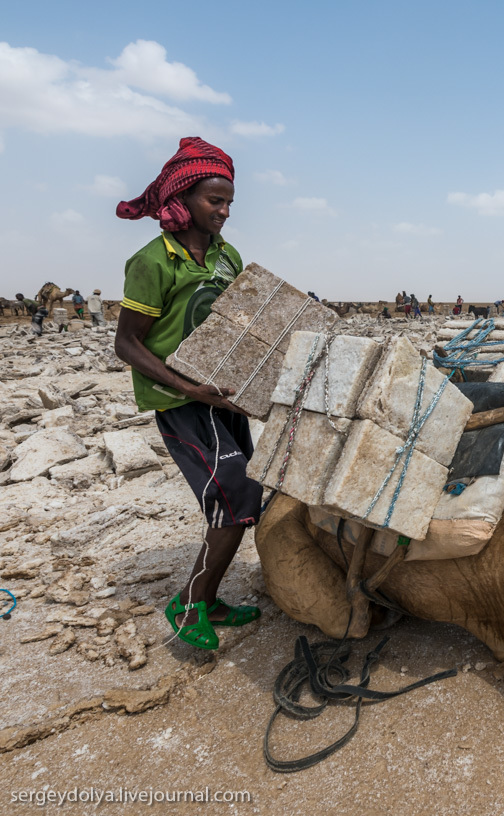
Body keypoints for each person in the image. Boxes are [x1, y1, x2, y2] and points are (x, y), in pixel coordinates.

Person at [113, 137, 261, 651]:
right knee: (235, 493)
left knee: (244, 494)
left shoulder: (227, 256)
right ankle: (190, 603)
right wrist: (188, 385)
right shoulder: (153, 261)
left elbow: (242, 327)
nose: (222, 212)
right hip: (180, 400)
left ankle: (211, 597)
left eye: (228, 204)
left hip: (223, 395)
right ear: (183, 197)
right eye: (213, 201)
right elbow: (126, 343)